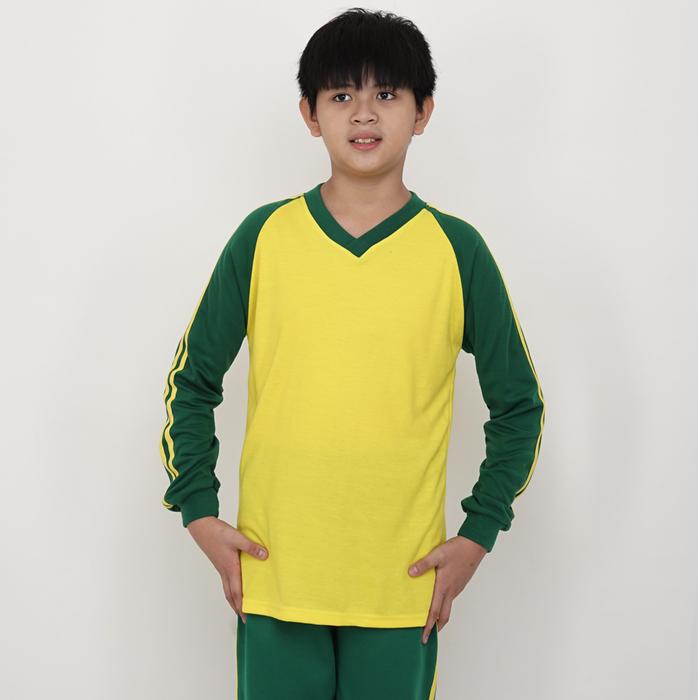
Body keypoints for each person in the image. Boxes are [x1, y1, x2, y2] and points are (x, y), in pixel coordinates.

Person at [158, 7, 545, 699]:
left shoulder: (457, 251)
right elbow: (192, 380)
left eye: (386, 93)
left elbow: (519, 405)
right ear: (310, 114)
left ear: (423, 112)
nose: (363, 113)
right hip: (276, 579)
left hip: (402, 587)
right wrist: (198, 511)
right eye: (341, 95)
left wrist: (479, 532)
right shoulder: (264, 237)